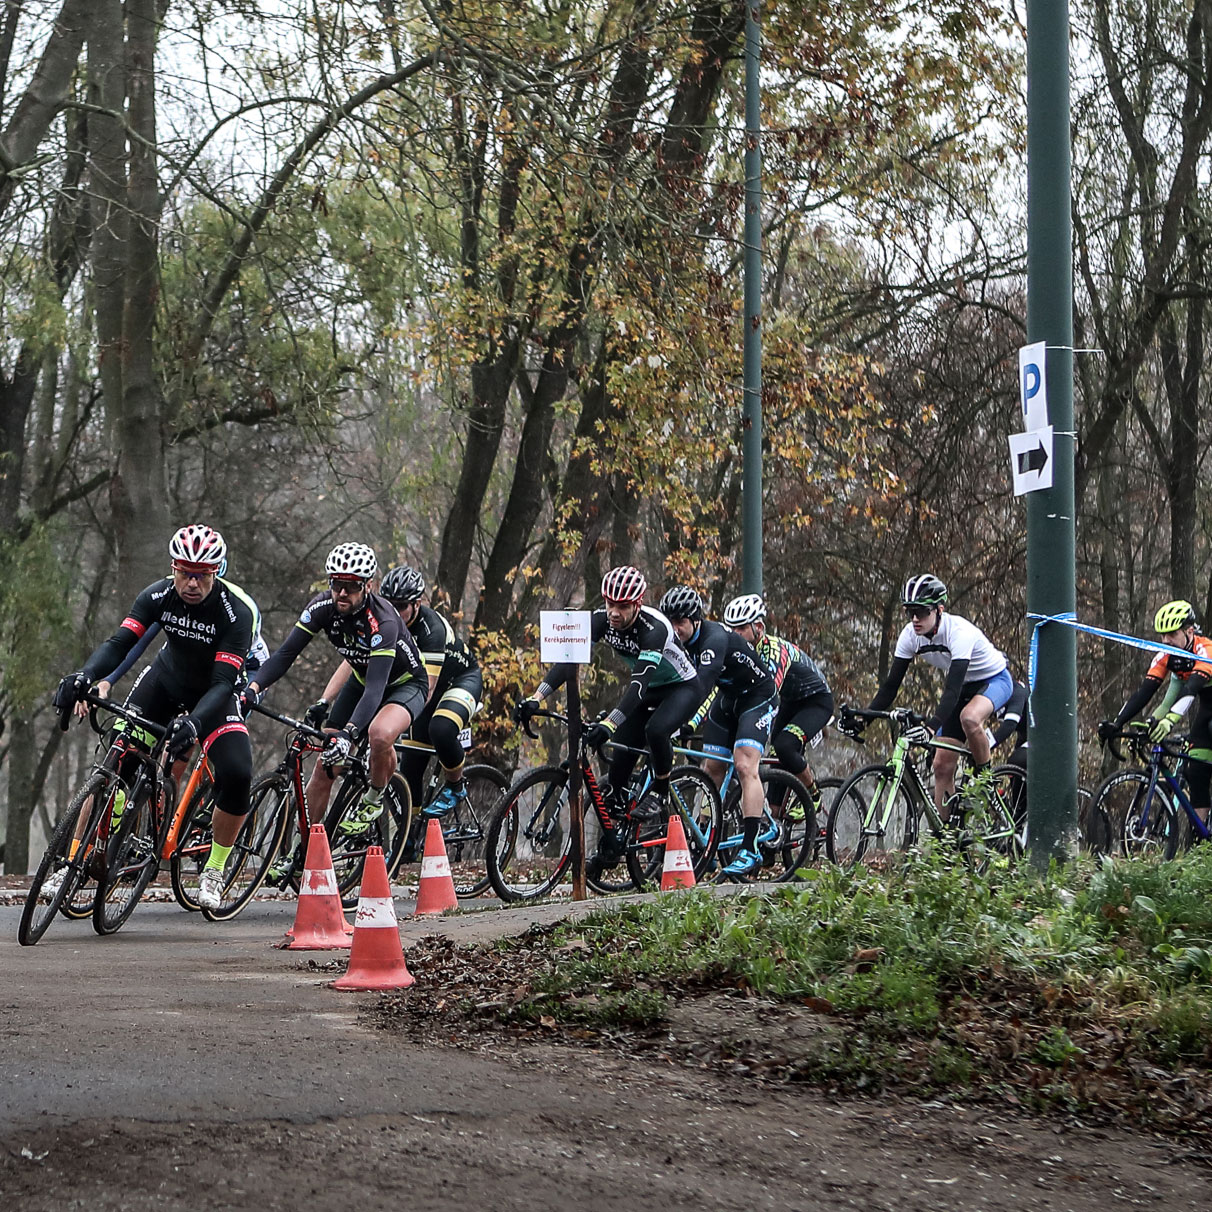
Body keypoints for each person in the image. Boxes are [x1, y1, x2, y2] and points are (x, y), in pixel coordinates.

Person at [52, 525, 256, 910]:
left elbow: (223, 682)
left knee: (237, 771)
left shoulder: (236, 613)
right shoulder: (158, 595)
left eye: (202, 575)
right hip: (164, 682)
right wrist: (85, 675)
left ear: (218, 571)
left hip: (213, 695)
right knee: (116, 762)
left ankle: (214, 869)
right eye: (184, 571)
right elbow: (120, 643)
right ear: (173, 568)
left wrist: (195, 722)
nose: (191, 583)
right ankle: (72, 862)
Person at [513, 566, 701, 877]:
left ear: (637, 605)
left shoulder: (654, 629)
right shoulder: (601, 621)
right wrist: (537, 697)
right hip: (649, 690)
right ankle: (610, 849)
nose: (614, 612)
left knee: (655, 730)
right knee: (617, 774)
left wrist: (610, 724)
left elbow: (638, 685)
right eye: (610, 604)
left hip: (680, 687)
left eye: (622, 606)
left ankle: (660, 791)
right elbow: (567, 663)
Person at [243, 542, 428, 839]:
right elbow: (286, 654)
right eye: (337, 584)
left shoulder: (384, 621)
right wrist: (253, 688)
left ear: (367, 586)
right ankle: (306, 848)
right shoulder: (322, 607)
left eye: (351, 586)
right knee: (324, 766)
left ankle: (373, 797)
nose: (342, 592)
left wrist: (350, 733)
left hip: (405, 685)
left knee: (378, 733)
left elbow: (377, 688)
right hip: (362, 678)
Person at [325, 565, 482, 819]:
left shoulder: (432, 629)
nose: (394, 612)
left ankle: (456, 784)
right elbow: (353, 661)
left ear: (417, 604)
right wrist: (328, 700)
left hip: (455, 681)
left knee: (440, 728)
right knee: (410, 770)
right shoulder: (377, 618)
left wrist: (389, 721)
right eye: (389, 604)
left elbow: (427, 689)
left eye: (401, 606)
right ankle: (409, 836)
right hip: (419, 683)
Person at [866, 574, 1013, 820]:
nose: (915, 619)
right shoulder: (909, 635)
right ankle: (947, 842)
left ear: (939, 610)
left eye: (921, 612)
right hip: (963, 689)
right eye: (909, 612)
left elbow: (952, 690)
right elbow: (890, 686)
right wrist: (864, 719)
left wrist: (931, 728)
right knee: (942, 766)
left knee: (969, 717)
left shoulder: (959, 631)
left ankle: (985, 778)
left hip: (994, 681)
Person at [659, 585, 779, 877]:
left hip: (758, 697)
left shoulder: (713, 639)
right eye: (670, 622)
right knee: (711, 768)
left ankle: (750, 848)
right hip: (728, 701)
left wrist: (675, 720)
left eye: (681, 622)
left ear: (695, 620)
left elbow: (699, 686)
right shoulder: (676, 641)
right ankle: (706, 844)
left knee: (744, 764)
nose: (675, 629)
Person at [1099, 599, 1212, 825]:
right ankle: (1202, 845)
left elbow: (1191, 689)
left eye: (1171, 634)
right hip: (1208, 708)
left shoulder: (1204, 649)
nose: (1165, 640)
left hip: (1204, 702)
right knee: (1196, 773)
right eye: (1162, 635)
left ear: (1189, 631)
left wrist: (1169, 720)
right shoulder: (1166, 655)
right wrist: (1118, 723)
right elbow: (1145, 692)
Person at [721, 593, 833, 806]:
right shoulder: (737, 652)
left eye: (741, 628)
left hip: (816, 702)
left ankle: (813, 797)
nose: (734, 634)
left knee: (784, 746)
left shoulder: (774, 651)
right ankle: (775, 823)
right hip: (791, 702)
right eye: (731, 629)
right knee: (776, 762)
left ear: (759, 628)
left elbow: (768, 695)